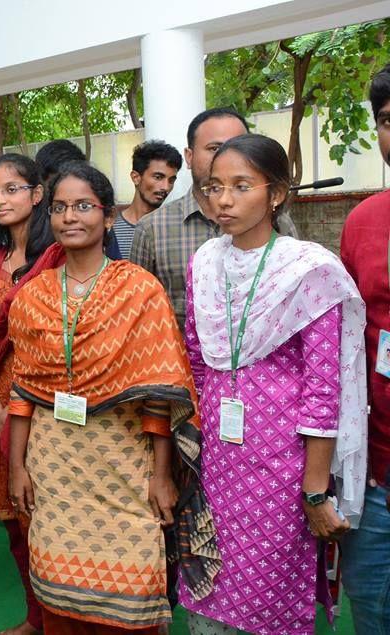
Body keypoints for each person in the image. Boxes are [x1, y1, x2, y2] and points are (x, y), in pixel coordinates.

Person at [6, 160, 212, 634]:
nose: (70, 217)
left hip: (123, 458)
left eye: (84, 206)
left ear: (108, 216)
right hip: (54, 458)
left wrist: (162, 475)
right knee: (58, 586)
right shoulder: (32, 294)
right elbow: (23, 391)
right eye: (59, 208)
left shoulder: (140, 290)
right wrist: (18, 467)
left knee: (134, 586)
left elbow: (159, 394)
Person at [180, 134, 366, 634]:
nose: (223, 200)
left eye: (241, 186)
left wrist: (314, 490)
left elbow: (325, 389)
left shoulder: (311, 271)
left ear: (277, 192)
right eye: (214, 187)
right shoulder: (204, 264)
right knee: (209, 584)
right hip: (217, 461)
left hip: (283, 467)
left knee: (270, 594)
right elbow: (197, 362)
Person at [0, 153, 65, 635]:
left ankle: (59, 619)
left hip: (46, 405)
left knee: (48, 517)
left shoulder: (57, 260)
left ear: (36, 194)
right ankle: (36, 617)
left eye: (12, 189)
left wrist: (18, 409)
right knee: (14, 520)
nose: (1, 199)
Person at [129, 107, 298, 331]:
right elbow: (137, 315)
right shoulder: (152, 229)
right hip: (184, 363)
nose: (228, 156)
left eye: (238, 145)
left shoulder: (278, 223)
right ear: (189, 157)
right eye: (215, 148)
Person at [338, 61, 390, 634]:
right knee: (372, 610)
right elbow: (351, 341)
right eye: (387, 120)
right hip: (377, 473)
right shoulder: (363, 222)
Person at [112, 140, 182, 259]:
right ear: (136, 178)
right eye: (158, 177)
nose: (165, 187)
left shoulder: (175, 229)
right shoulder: (111, 227)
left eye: (171, 180)